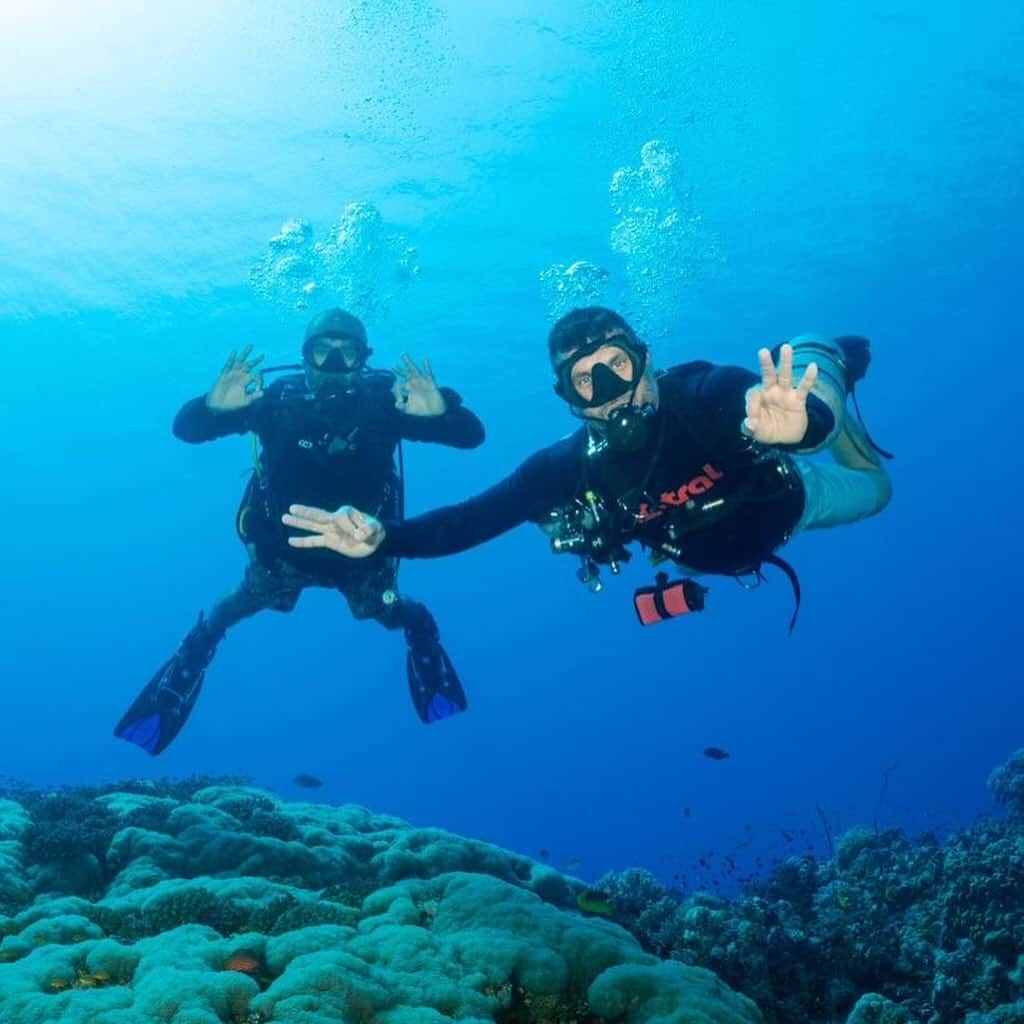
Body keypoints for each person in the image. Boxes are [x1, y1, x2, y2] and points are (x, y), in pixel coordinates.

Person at [280, 306, 892, 631]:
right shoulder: (568, 466)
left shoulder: (708, 393)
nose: (609, 391)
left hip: (794, 504)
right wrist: (386, 535)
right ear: (570, 401)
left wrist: (801, 427)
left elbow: (759, 407)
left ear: (646, 362)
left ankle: (823, 354)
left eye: (617, 367)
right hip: (697, 553)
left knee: (872, 483)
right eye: (585, 381)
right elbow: (470, 521)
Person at [115, 307, 485, 756]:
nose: (332, 364)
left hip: (363, 554)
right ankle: (188, 662)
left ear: (363, 359)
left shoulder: (386, 405)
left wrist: (441, 413)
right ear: (304, 357)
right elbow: (187, 429)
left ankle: (422, 635)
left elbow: (472, 436)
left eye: (346, 354)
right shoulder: (275, 404)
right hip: (282, 556)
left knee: (396, 613)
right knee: (226, 613)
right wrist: (212, 408)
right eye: (321, 352)